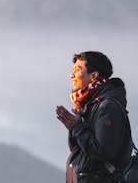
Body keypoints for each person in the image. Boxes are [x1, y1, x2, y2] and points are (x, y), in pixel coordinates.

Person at [56, 51, 132, 183]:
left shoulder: (108, 107)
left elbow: (104, 152)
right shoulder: (91, 107)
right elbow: (86, 153)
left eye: (77, 70)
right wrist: (77, 126)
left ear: (94, 76)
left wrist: (76, 127)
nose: (71, 75)